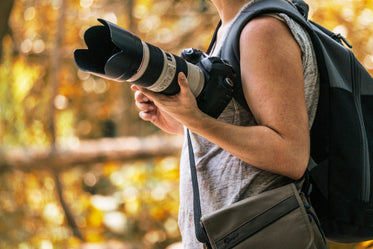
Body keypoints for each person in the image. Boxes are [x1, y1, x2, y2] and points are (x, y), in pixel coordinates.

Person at [131, 0, 324, 248]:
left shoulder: (263, 28)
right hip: (235, 236)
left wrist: (195, 120)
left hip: (260, 235)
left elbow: (290, 154)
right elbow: (235, 135)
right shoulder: (230, 27)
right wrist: (177, 118)